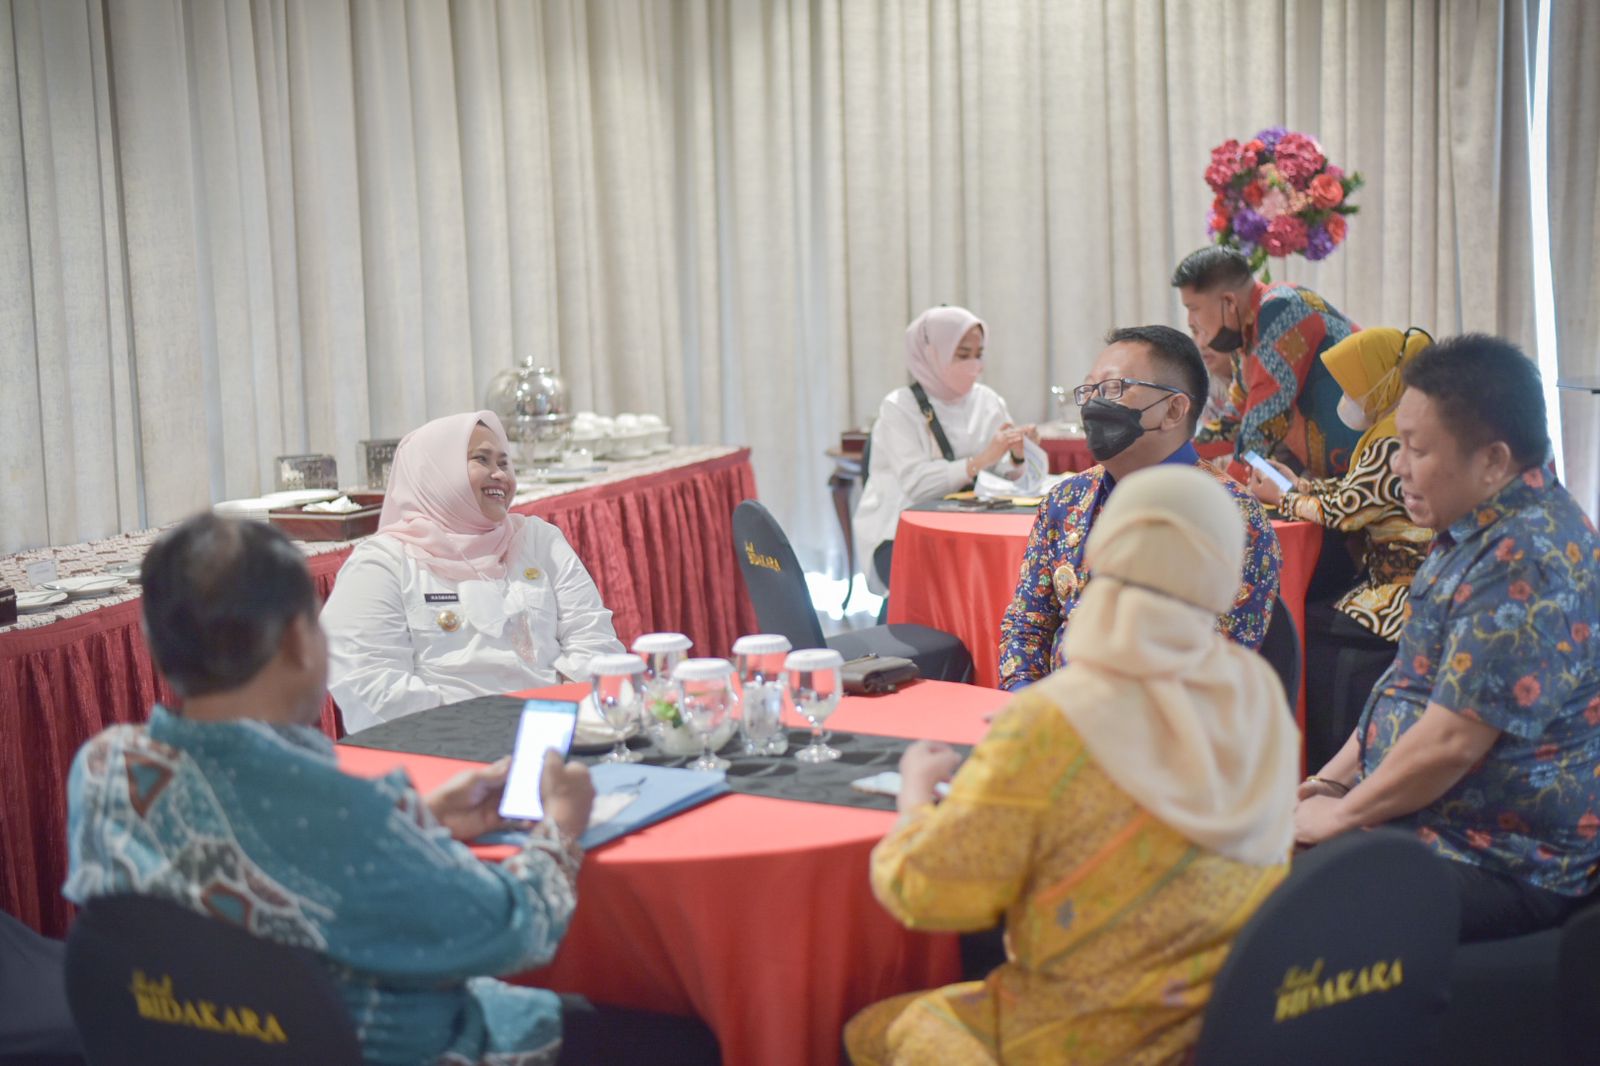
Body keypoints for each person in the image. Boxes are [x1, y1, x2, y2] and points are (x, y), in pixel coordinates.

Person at [62, 515, 718, 1064]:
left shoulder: (102, 768)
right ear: (298, 638)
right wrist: (560, 830)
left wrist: (418, 819)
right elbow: (512, 930)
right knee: (690, 1041)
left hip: (204, 1044)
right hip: (394, 1048)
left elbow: (240, 867)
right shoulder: (344, 815)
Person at [845, 465, 1300, 1066]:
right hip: (1225, 1029)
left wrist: (914, 795)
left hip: (1072, 1037)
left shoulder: (1054, 722)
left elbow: (929, 893)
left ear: (1105, 551)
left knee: (871, 1031)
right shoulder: (1259, 697)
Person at [1293, 335, 1600, 942]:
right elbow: (1408, 678)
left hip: (1498, 855)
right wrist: (1332, 780)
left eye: (1415, 448)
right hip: (1431, 824)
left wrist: (1342, 816)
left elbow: (1454, 740)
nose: (1397, 465)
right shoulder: (1476, 522)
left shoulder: (1526, 557)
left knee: (1278, 910)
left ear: (1492, 460)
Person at [998, 325, 1281, 690]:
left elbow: (1212, 667)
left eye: (1114, 389)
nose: (1094, 405)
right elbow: (1026, 626)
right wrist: (1026, 704)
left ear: (1174, 409)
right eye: (1089, 390)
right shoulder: (1065, 501)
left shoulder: (1233, 518)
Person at [321, 411, 623, 732]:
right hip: (438, 747)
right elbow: (366, 679)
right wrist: (479, 729)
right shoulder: (383, 562)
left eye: (504, 463)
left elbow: (594, 638)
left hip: (555, 730)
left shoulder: (538, 539)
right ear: (435, 471)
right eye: (482, 460)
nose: (500, 475)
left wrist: (554, 717)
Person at [1247, 328, 1437, 771]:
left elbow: (1346, 511)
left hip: (1400, 593)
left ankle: (1323, 757)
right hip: (1400, 579)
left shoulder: (1393, 439)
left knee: (1299, 627)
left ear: (1383, 383)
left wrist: (1284, 498)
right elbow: (1356, 493)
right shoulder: (1390, 431)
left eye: (1352, 386)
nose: (1346, 398)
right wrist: (1299, 485)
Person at [853, 306, 1034, 593]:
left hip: (974, 525)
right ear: (931, 353)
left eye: (979, 354)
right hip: (902, 532)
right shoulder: (899, 407)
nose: (974, 364)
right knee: (958, 587)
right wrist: (980, 460)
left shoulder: (987, 401)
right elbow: (917, 484)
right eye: (963, 355)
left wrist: (1018, 454)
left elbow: (1008, 478)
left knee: (1013, 578)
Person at [1175, 245, 1362, 479]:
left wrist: (1227, 488)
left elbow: (1261, 427)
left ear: (1229, 303)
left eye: (1193, 309)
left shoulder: (1280, 309)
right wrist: (1171, 457)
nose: (1190, 321)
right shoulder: (1244, 337)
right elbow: (1233, 424)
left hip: (1377, 466)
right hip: (1341, 477)